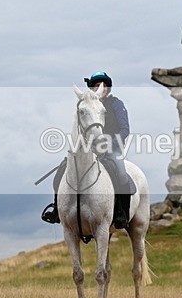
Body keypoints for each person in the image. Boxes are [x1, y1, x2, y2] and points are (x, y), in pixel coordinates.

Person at [41, 71, 134, 229]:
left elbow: (125, 129)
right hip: (88, 149)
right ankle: (57, 209)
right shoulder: (86, 105)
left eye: (103, 85)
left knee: (121, 173)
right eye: (97, 85)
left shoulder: (116, 104)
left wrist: (109, 142)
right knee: (61, 171)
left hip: (111, 149)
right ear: (92, 88)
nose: (100, 88)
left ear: (108, 88)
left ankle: (121, 213)